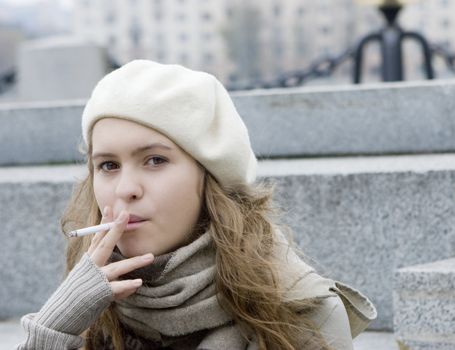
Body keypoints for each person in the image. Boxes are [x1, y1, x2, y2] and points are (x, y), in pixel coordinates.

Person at [16, 60, 376, 350]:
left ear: (210, 177)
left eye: (155, 160)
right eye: (108, 165)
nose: (125, 189)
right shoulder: (90, 311)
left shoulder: (301, 312)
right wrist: (52, 329)